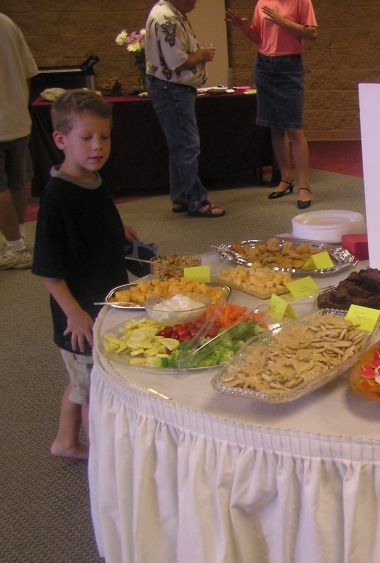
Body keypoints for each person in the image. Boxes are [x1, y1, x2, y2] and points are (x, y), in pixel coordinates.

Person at [32, 90, 140, 459]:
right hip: (78, 312)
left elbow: (97, 211)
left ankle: (66, 441)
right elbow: (48, 268)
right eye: (87, 138)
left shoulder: (91, 177)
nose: (98, 146)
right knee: (94, 386)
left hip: (101, 297)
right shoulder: (58, 198)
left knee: (80, 382)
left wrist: (117, 226)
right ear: (61, 140)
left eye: (104, 137)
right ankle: (102, 456)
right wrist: (73, 312)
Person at [225, 0, 318, 210]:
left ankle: (304, 185)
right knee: (274, 126)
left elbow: (311, 34)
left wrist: (281, 20)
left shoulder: (302, 1)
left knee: (293, 127)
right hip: (264, 66)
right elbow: (258, 38)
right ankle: (286, 178)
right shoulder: (262, 2)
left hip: (289, 66)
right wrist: (241, 26)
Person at [144, 0, 226, 217]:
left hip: (169, 87)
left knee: (178, 145)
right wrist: (202, 55)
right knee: (188, 146)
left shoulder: (170, 11)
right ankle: (196, 200)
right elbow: (177, 61)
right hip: (172, 89)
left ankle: (181, 195)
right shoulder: (167, 18)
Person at [0, 13, 38, 270]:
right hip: (17, 117)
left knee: (2, 187)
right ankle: (19, 236)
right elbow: (28, 71)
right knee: (17, 181)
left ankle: (14, 246)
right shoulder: (7, 22)